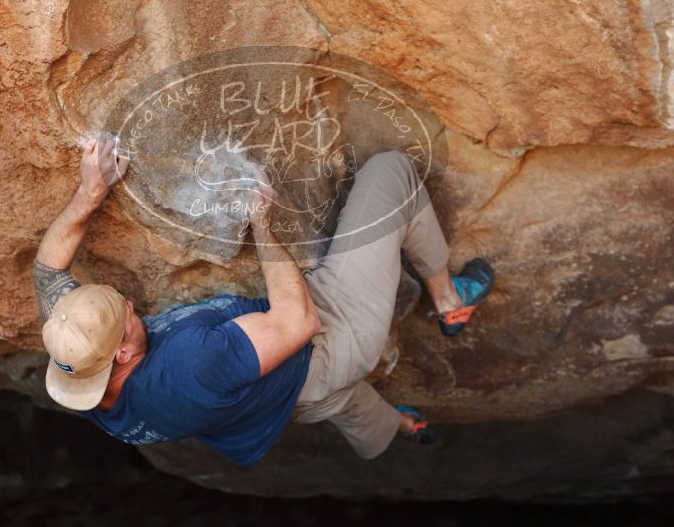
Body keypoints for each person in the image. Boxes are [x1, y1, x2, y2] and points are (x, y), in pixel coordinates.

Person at [33, 134, 494, 466]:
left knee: (342, 401)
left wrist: (90, 191)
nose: (129, 304)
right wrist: (262, 227)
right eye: (125, 315)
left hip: (285, 401)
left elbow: (48, 269)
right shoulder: (190, 366)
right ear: (123, 353)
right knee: (391, 172)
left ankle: (398, 429)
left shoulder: (77, 364)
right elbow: (299, 323)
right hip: (327, 344)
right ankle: (449, 299)